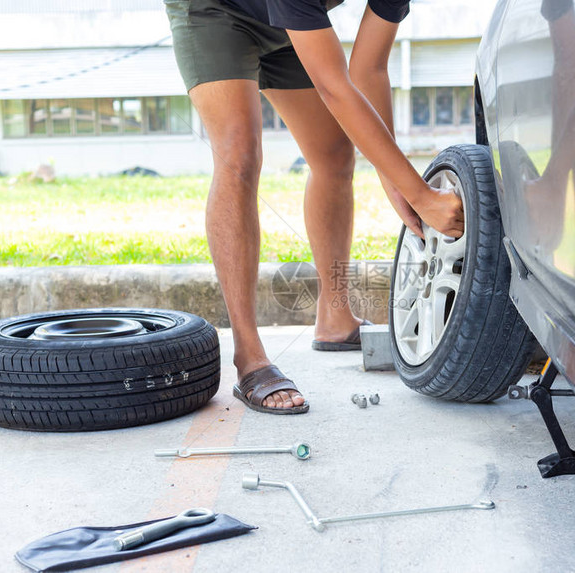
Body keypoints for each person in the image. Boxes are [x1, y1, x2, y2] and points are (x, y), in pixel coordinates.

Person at [163, 0, 464, 414]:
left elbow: (368, 70)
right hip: (216, 10)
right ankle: (250, 357)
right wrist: (421, 196)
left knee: (335, 154)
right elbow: (333, 86)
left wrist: (394, 180)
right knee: (239, 154)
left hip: (285, 20)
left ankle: (335, 319)